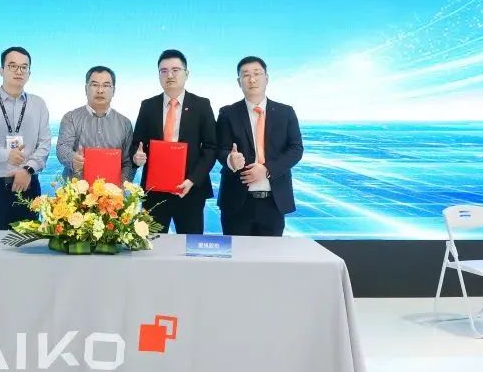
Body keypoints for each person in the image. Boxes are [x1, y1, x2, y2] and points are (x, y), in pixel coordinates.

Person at [130, 49, 216, 234]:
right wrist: (136, 157)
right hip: (155, 191)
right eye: (164, 71)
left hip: (190, 190)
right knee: (151, 244)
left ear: (186, 73)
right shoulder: (148, 106)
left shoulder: (201, 105)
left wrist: (192, 180)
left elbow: (211, 147)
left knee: (190, 246)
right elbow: (136, 144)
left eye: (175, 70)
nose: (169, 75)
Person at [216, 56, 303, 236]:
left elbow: (296, 149)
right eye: (246, 75)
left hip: (273, 202)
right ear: (239, 82)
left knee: (270, 253)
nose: (252, 79)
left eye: (257, 73)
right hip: (236, 202)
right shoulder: (227, 113)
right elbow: (219, 148)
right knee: (235, 253)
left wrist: (267, 169)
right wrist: (230, 160)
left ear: (266, 78)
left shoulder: (285, 112)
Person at [0, 46, 51, 230]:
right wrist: (7, 155)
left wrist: (28, 169)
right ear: (1, 70)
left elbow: (45, 144)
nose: (18, 71)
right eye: (13, 66)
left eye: (24, 67)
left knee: (27, 242)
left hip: (28, 183)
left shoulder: (38, 104)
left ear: (29, 73)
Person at [56, 66, 134, 181]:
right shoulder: (70, 117)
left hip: (112, 190)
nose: (100, 90)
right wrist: (73, 158)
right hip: (75, 189)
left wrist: (122, 184)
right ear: (86, 89)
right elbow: (62, 148)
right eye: (95, 85)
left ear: (114, 91)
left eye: (106, 85)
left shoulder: (125, 123)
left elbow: (127, 162)